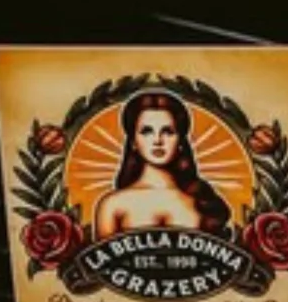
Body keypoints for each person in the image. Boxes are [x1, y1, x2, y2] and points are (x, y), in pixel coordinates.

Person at [95, 90, 232, 239]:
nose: (158, 141)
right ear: (133, 142)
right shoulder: (112, 205)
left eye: (167, 131)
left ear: (180, 140)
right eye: (147, 131)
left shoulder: (199, 201)